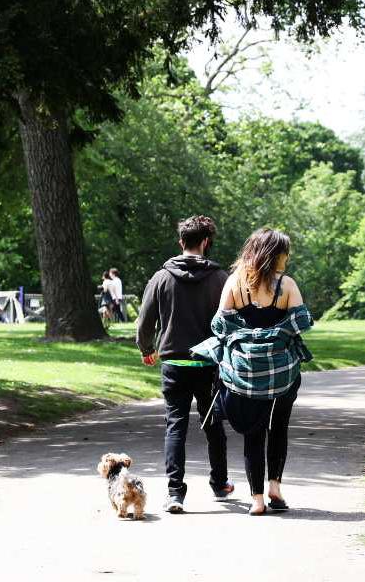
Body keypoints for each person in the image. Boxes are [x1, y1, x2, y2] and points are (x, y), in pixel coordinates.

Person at [191, 227, 313, 516]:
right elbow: (301, 322)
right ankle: (275, 488)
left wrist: (247, 335)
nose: (288, 257)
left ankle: (257, 500)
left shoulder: (235, 283)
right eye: (285, 252)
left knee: (253, 434)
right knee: (278, 428)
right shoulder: (287, 285)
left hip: (244, 374)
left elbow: (219, 325)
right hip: (282, 372)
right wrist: (275, 333)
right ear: (274, 255)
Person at [136, 215, 233, 514]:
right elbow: (230, 321)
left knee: (175, 425)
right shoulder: (220, 279)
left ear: (181, 241)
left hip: (174, 362)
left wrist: (147, 348)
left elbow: (145, 321)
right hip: (207, 363)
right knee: (212, 423)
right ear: (206, 242)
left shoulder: (161, 277)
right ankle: (219, 483)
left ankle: (175, 492)